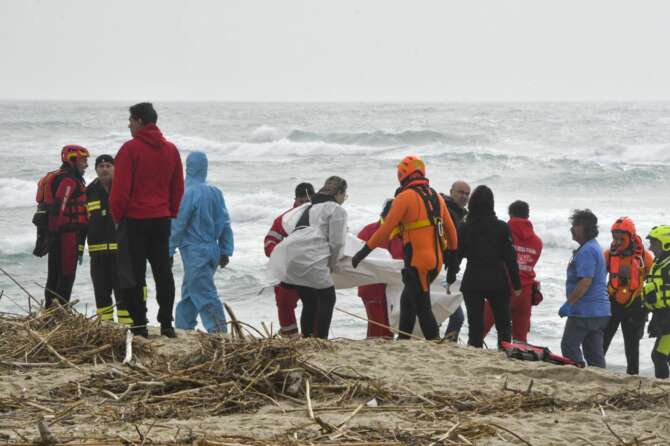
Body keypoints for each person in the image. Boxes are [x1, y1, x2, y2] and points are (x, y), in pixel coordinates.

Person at [352, 156, 458, 340]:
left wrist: (362, 253)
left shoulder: (405, 197)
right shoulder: (436, 196)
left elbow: (385, 229)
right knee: (407, 300)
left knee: (423, 308)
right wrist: (453, 260)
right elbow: (450, 230)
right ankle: (403, 340)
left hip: (418, 262)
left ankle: (434, 344)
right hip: (436, 261)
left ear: (402, 175)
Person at [110, 103, 184, 338]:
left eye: (131, 120)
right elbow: (177, 187)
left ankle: (139, 324)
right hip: (161, 219)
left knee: (134, 274)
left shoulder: (130, 149)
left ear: (140, 121)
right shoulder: (171, 150)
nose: (129, 124)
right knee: (163, 271)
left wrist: (116, 216)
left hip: (134, 220)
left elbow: (120, 190)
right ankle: (166, 324)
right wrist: (171, 211)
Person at [448, 185, 521, 348]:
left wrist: (450, 277)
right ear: (491, 204)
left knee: (475, 325)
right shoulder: (502, 227)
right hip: (497, 281)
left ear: (472, 203)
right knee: (503, 324)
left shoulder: (465, 227)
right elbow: (511, 259)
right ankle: (504, 352)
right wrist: (516, 285)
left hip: (473, 280)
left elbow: (457, 256)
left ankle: (475, 351)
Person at [169, 151, 233, 334]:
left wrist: (169, 249)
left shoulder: (186, 192)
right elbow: (225, 222)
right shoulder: (215, 192)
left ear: (187, 167)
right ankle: (183, 327)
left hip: (194, 251)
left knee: (204, 294)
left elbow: (178, 224)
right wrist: (225, 249)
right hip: (213, 248)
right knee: (191, 292)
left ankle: (219, 332)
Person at [278, 176, 348, 339]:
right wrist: (332, 264)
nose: (344, 199)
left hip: (291, 256)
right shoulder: (336, 210)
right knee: (328, 298)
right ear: (339, 192)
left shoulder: (309, 206)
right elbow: (337, 242)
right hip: (311, 258)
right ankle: (320, 339)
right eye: (344, 195)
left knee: (309, 301)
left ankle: (308, 338)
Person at [482, 200, 542, 343]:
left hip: (502, 288)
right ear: (528, 216)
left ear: (510, 214)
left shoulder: (502, 233)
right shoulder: (537, 242)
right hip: (525, 292)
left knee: (480, 329)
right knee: (520, 338)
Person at [559, 209, 610, 368]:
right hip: (600, 311)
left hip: (585, 311)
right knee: (594, 352)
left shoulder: (587, 250)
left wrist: (569, 303)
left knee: (569, 345)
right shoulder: (593, 247)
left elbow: (585, 281)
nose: (571, 228)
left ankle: (578, 373)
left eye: (575, 225)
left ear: (585, 228)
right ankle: (600, 379)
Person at [602, 217, 653, 375]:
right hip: (612, 303)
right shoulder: (608, 255)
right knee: (602, 341)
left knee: (632, 346)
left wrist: (647, 309)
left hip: (635, 306)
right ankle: (595, 370)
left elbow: (653, 284)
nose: (617, 242)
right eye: (614, 237)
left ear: (631, 237)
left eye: (621, 238)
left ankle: (633, 375)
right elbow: (597, 280)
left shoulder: (645, 257)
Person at [40, 145, 90, 307]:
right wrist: (55, 233)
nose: (86, 165)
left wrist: (51, 236)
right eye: (83, 160)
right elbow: (60, 207)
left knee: (54, 274)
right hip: (66, 234)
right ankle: (60, 309)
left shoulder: (62, 177)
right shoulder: (68, 180)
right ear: (73, 160)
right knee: (66, 274)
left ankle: (50, 309)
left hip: (57, 234)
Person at [264, 183, 315, 337]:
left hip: (313, 267)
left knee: (316, 303)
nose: (304, 205)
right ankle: (289, 335)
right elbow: (269, 242)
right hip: (290, 269)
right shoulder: (286, 219)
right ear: (295, 200)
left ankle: (314, 335)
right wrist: (280, 255)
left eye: (308, 201)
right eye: (301, 201)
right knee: (284, 300)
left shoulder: (320, 216)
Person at [85, 155, 129, 324]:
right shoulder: (88, 192)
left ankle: (128, 327)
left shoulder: (123, 189)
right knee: (101, 293)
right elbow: (82, 224)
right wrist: (79, 249)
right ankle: (106, 327)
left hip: (121, 253)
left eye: (108, 165)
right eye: (101, 166)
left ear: (115, 168)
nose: (104, 169)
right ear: (96, 169)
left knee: (123, 293)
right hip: (98, 255)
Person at [356, 199, 403, 338]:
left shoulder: (402, 232)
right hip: (371, 286)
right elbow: (357, 258)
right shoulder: (369, 230)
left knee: (390, 327)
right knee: (377, 326)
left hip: (395, 288)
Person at [440, 180, 470, 341]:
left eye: (467, 194)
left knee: (448, 311)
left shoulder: (463, 214)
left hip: (449, 270)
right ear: (451, 191)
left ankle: (442, 344)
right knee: (456, 315)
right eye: (460, 192)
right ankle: (443, 344)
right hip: (439, 268)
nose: (464, 196)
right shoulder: (445, 210)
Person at [642, 225, 670, 379]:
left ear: (666, 244)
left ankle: (663, 388)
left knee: (659, 355)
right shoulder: (659, 262)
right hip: (661, 315)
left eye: (654, 244)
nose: (650, 248)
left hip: (668, 316)